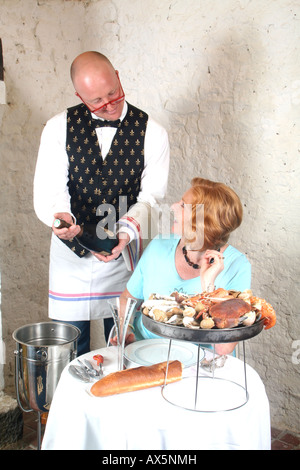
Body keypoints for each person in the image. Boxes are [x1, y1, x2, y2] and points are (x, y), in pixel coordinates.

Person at [34, 51, 170, 355]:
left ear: (118, 77)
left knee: (122, 348)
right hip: (70, 260)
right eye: (97, 101)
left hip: (122, 257)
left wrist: (125, 232)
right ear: (79, 96)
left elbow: (151, 197)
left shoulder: (154, 133)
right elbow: (51, 189)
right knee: (68, 349)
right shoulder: (57, 128)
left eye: (114, 94)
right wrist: (61, 221)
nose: (109, 105)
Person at [119, 177, 251, 355]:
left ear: (204, 222)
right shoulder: (158, 245)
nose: (173, 206)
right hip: (144, 355)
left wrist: (208, 287)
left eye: (182, 206)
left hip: (200, 369)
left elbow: (223, 348)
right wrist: (126, 329)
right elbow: (126, 299)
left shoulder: (237, 265)